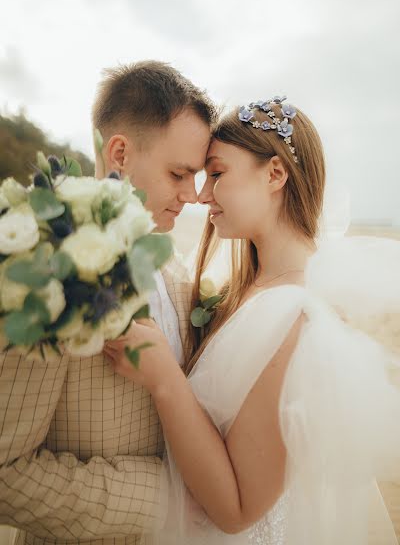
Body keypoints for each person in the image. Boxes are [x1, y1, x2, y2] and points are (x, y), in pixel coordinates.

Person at [104, 96, 400, 544]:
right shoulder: (250, 289)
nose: (202, 196)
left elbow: (238, 509)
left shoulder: (300, 318)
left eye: (218, 174)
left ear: (275, 174)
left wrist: (165, 377)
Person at [0, 61, 216, 545]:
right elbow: (5, 470)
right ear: (119, 152)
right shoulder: (45, 269)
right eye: (179, 173)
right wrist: (163, 498)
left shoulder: (176, 271)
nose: (192, 195)